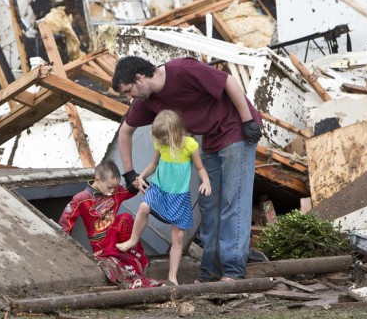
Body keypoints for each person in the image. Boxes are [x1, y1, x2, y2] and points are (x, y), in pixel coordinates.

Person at [112, 56, 263, 283]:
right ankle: (210, 272)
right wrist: (129, 173)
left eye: (128, 90)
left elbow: (229, 82)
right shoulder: (146, 101)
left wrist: (247, 121)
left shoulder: (183, 70)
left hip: (236, 131)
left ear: (139, 78)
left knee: (234, 200)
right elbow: (125, 131)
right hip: (211, 139)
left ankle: (233, 271)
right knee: (209, 203)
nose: (128, 97)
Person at [116, 110, 211, 286]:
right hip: (159, 189)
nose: (162, 141)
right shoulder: (161, 145)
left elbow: (200, 168)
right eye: (159, 138)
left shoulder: (190, 145)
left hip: (179, 196)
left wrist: (205, 181)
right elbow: (154, 164)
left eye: (165, 138)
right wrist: (141, 177)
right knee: (144, 207)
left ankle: (172, 276)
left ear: (175, 132)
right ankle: (133, 239)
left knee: (178, 236)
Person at [58, 160, 163, 289]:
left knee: (125, 218)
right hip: (100, 242)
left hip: (119, 239)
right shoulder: (81, 199)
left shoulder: (116, 191)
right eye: (109, 187)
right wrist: (64, 248)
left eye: (115, 187)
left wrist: (135, 184)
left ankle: (129, 256)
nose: (112, 191)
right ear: (97, 179)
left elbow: (128, 191)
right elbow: (65, 223)